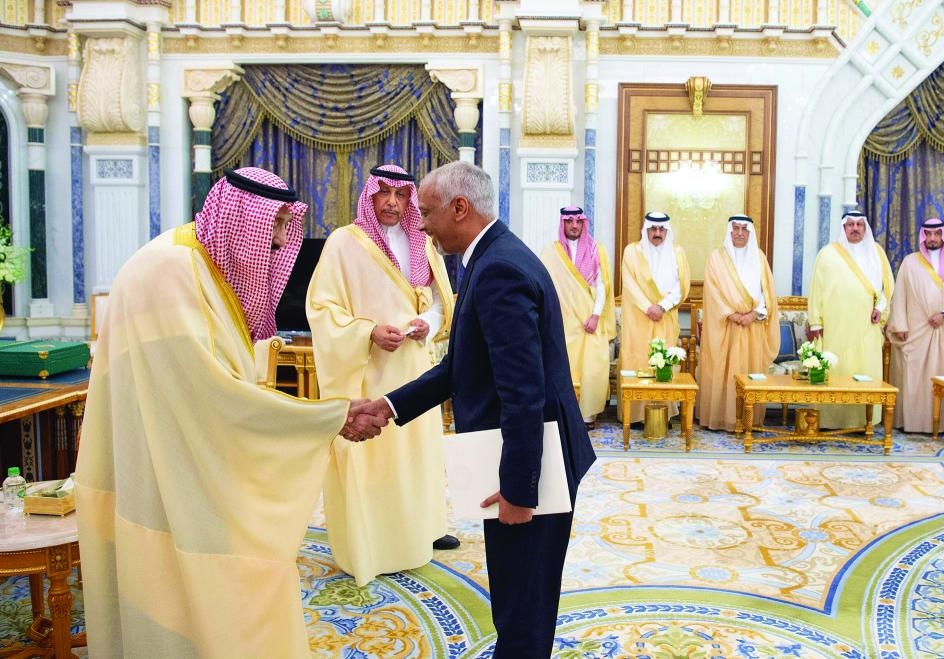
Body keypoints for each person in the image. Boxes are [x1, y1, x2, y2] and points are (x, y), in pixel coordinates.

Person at [75, 167, 387, 657]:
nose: (279, 243)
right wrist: (330, 417)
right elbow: (215, 395)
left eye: (283, 227)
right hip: (160, 464)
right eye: (274, 227)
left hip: (188, 453)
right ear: (241, 220)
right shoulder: (170, 272)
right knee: (175, 591)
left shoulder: (199, 265)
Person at [357, 161, 596, 658]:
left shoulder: (498, 269)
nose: (421, 224)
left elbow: (524, 392)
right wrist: (389, 405)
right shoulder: (491, 257)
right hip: (524, 456)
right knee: (517, 593)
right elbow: (462, 366)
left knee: (522, 601)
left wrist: (519, 490)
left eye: (427, 212)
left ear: (460, 208)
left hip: (533, 465)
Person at [306, 164, 457, 586]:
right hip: (365, 374)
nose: (392, 202)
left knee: (416, 458)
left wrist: (428, 321)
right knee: (373, 459)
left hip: (414, 371)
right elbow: (321, 309)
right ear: (369, 196)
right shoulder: (343, 243)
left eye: (401, 195)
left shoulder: (422, 241)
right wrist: (368, 332)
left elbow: (438, 299)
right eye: (384, 193)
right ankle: (374, 544)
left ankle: (421, 532)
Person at [887, 217, 944, 433]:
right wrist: (899, 325)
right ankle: (913, 423)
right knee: (915, 377)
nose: (932, 238)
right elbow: (899, 296)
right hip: (917, 330)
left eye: (937, 234)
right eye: (928, 234)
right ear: (923, 236)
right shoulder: (910, 262)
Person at [807, 210, 894, 429]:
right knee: (837, 369)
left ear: (865, 228)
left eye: (859, 224)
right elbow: (816, 289)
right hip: (835, 326)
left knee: (866, 372)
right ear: (843, 228)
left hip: (867, 325)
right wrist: (816, 322)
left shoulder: (876, 252)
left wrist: (880, 308)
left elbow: (886, 288)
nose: (855, 228)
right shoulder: (827, 254)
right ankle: (831, 421)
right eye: (850, 224)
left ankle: (865, 422)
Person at [698, 214, 780, 431]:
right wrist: (731, 314)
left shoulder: (759, 258)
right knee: (723, 371)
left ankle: (748, 418)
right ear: (730, 231)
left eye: (744, 229)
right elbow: (712, 292)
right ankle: (721, 417)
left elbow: (768, 294)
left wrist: (754, 314)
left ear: (750, 232)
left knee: (749, 371)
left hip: (752, 327)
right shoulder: (716, 257)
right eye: (736, 228)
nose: (740, 233)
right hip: (725, 326)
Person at [540, 206, 616, 429]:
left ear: (584, 223)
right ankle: (564, 415)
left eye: (578, 221)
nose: (574, 226)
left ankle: (587, 416)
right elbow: (545, 288)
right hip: (562, 323)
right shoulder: (551, 252)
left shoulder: (595, 249)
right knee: (563, 369)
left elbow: (602, 286)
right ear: (562, 224)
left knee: (592, 369)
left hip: (590, 321)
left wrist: (596, 315)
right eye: (569, 221)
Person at [619, 211, 690, 422]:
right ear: (646, 230)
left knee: (663, 363)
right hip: (638, 319)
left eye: (661, 229)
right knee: (638, 361)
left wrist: (662, 306)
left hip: (665, 317)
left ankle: (662, 414)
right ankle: (635, 416)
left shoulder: (678, 253)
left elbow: (681, 285)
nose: (657, 233)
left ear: (667, 231)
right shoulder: (632, 252)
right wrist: (648, 307)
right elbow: (629, 284)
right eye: (652, 229)